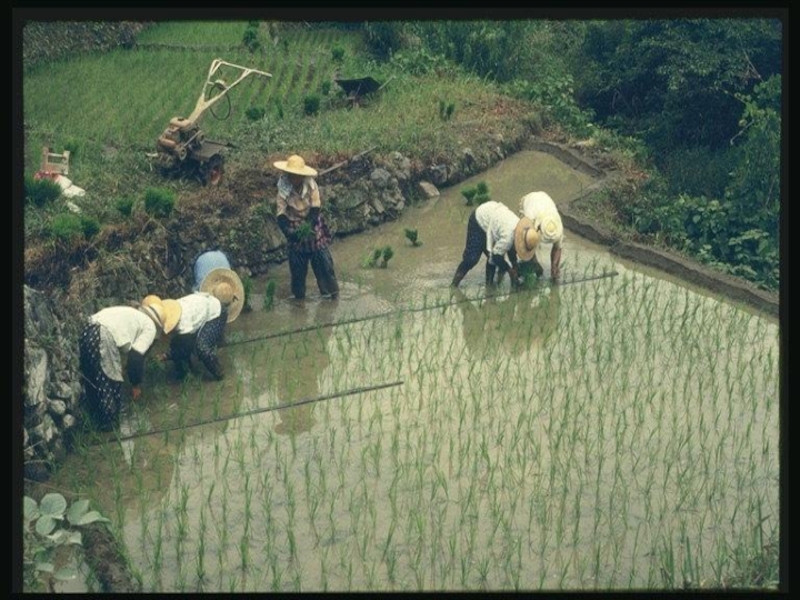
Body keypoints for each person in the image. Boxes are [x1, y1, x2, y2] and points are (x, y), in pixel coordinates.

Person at [79, 297, 181, 431]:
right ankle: (110, 428)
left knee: (94, 380)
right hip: (101, 335)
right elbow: (135, 357)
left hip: (87, 329)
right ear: (159, 326)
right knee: (110, 385)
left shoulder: (134, 315)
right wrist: (135, 385)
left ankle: (95, 423)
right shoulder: (150, 327)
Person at [151, 262, 244, 381]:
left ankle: (220, 375)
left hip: (216, 313)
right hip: (203, 308)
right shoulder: (171, 309)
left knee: (202, 348)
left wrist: (168, 355)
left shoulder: (184, 325)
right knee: (177, 342)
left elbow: (188, 346)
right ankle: (184, 372)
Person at [273, 153, 339, 300]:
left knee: (323, 263)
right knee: (297, 269)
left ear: (302, 176)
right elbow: (281, 213)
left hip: (311, 222)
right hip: (293, 225)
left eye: (296, 175)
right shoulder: (283, 187)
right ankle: (299, 298)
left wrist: (308, 225)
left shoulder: (311, 185)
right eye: (291, 175)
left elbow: (315, 207)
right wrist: (290, 232)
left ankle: (330, 294)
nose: (293, 178)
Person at [451, 200, 540, 289]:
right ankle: (453, 286)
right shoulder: (508, 237)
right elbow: (496, 256)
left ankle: (489, 286)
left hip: (493, 218)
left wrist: (514, 264)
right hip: (479, 219)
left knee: (491, 258)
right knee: (472, 259)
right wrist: (510, 270)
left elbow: (510, 250)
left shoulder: (521, 230)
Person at [518, 191, 564, 281]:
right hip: (529, 201)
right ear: (538, 228)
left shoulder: (556, 225)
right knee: (528, 243)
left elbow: (558, 248)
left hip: (544, 199)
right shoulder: (529, 218)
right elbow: (525, 245)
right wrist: (535, 263)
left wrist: (554, 266)